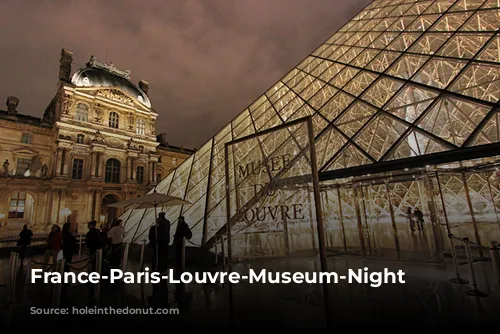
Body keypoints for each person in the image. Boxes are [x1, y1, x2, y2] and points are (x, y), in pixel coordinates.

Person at [148, 212, 170, 309]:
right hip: (165, 243)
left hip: (158, 244)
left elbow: (152, 235)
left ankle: (156, 268)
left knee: (156, 257)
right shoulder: (167, 222)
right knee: (163, 257)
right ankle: (162, 269)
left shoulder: (157, 225)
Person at [173, 216, 192, 311]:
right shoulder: (183, 225)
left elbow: (179, 234)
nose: (179, 221)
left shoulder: (182, 226)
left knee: (179, 256)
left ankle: (180, 267)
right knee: (179, 256)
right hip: (180, 243)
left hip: (180, 243)